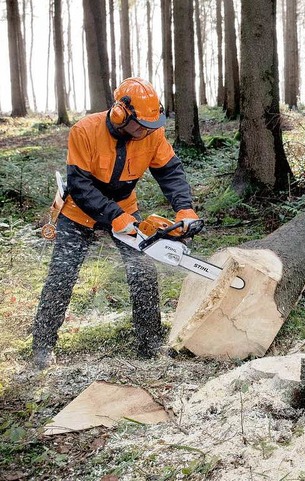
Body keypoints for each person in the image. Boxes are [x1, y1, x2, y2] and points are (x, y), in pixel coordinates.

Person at [32, 77, 199, 369]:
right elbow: (80, 186)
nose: (146, 131)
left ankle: (149, 344)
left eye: (151, 124)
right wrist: (114, 217)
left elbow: (170, 172)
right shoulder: (84, 131)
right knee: (62, 275)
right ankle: (42, 348)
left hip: (125, 210)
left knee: (143, 271)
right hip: (78, 213)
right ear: (120, 113)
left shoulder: (152, 133)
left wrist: (185, 209)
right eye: (140, 125)